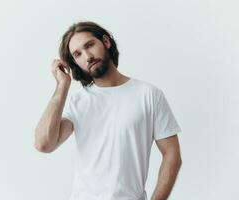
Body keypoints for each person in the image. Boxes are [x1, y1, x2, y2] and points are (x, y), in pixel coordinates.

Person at [34, 21, 182, 200]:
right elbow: (44, 144)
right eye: (77, 54)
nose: (87, 56)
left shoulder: (148, 94)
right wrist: (62, 86)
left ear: (105, 42)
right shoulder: (78, 101)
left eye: (90, 45)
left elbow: (172, 154)